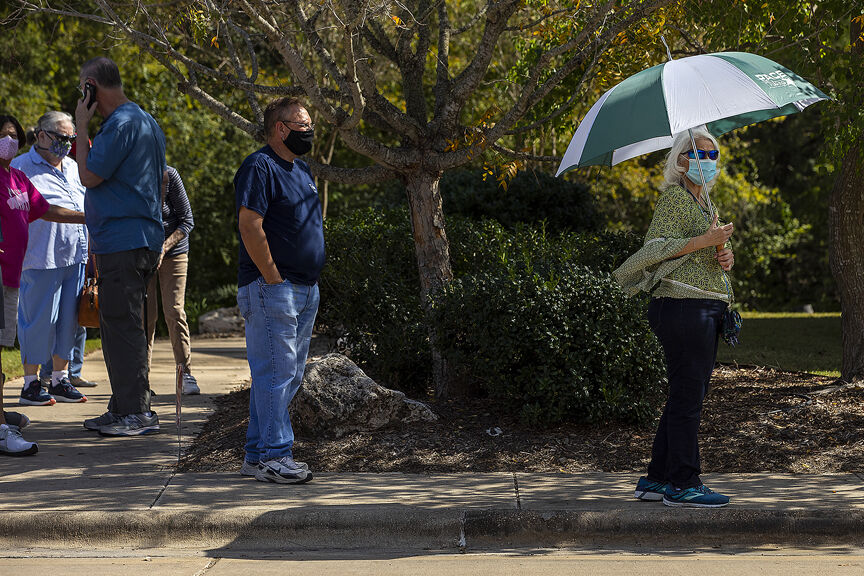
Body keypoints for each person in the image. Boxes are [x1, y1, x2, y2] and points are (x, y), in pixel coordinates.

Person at [614, 128, 735, 508]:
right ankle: (684, 484)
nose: (709, 163)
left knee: (685, 395)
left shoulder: (705, 205)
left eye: (714, 156)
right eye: (702, 155)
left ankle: (657, 480)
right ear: (681, 161)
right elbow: (654, 249)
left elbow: (709, 255)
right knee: (688, 399)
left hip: (703, 307)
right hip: (683, 308)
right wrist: (704, 242)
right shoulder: (673, 200)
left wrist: (725, 257)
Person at [74, 57, 167, 436]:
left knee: (122, 326)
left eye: (82, 88)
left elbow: (88, 175)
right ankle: (123, 406)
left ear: (92, 86)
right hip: (139, 239)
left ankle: (136, 413)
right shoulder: (145, 120)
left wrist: (81, 126)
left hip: (123, 242)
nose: (81, 95)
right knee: (119, 324)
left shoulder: (120, 124)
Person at [234, 97, 323, 484]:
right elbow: (250, 225)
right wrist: (272, 278)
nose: (309, 131)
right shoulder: (260, 166)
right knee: (277, 374)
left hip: (303, 289)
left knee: (283, 375)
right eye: (302, 125)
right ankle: (275, 456)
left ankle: (256, 456)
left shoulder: (300, 169)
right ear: (281, 129)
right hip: (273, 288)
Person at [0, 113, 86, 456]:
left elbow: (47, 208)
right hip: (37, 259)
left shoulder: (18, 175)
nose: (66, 145)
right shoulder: (24, 165)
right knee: (37, 321)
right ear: (40, 136)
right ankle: (31, 382)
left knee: (68, 321)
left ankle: (59, 378)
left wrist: (89, 219)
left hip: (70, 254)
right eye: (3, 135)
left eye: (11, 135)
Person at [146, 165, 197, 394]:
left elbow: (187, 221)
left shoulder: (168, 174)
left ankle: (185, 374)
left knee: (174, 311)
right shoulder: (127, 173)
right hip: (142, 252)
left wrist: (164, 247)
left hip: (174, 251)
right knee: (145, 316)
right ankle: (141, 380)